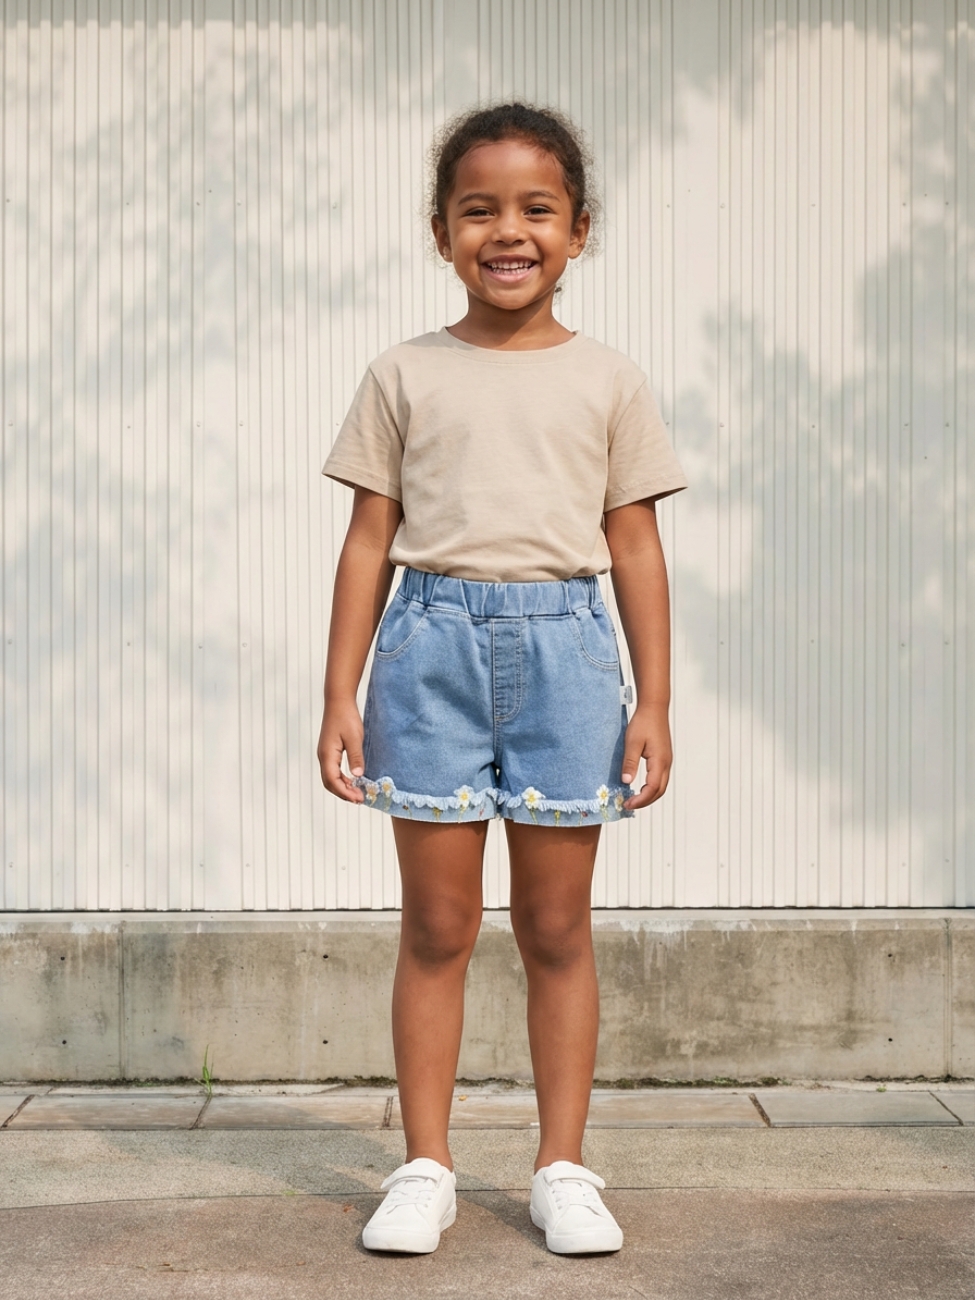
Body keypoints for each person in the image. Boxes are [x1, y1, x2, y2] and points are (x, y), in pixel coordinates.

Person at [317, 102, 686, 1256]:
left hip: (572, 655)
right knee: (435, 922)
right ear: (442, 232)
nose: (508, 230)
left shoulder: (612, 381)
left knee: (556, 923)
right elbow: (370, 540)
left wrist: (656, 701)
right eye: (480, 209)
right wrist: (339, 692)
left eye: (537, 209)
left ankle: (561, 1167)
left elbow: (633, 545)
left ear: (579, 230)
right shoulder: (404, 373)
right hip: (428, 654)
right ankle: (425, 1163)